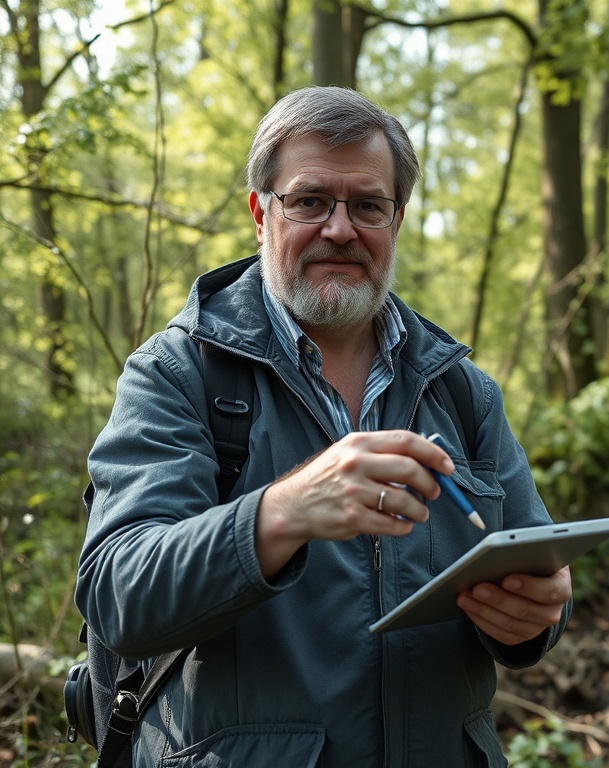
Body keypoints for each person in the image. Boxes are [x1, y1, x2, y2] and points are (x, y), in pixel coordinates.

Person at [75, 85, 572, 767]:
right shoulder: (178, 374)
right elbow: (118, 594)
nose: (340, 229)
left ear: (396, 220)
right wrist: (284, 512)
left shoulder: (463, 392)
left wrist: (536, 617)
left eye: (368, 205)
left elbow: (534, 565)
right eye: (309, 201)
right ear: (260, 213)